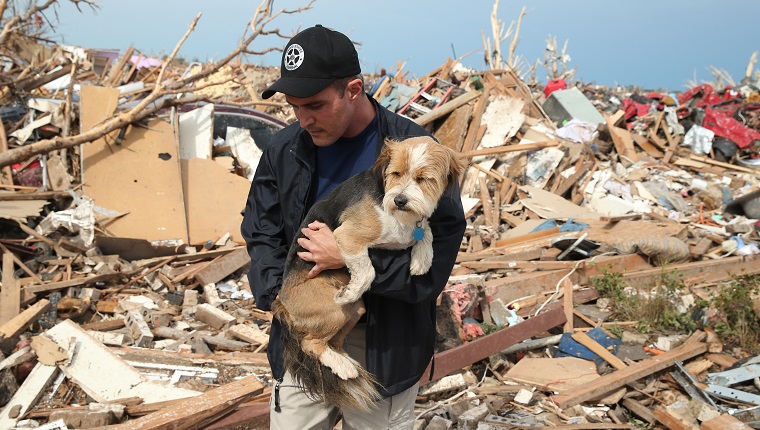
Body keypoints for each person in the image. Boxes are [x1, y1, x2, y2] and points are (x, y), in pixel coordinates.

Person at [241, 24, 465, 430]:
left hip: (386, 342)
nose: (303, 118)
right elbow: (261, 231)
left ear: (354, 90)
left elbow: (431, 268)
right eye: (294, 106)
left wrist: (344, 256)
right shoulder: (285, 148)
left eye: (315, 105)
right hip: (308, 331)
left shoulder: (416, 155)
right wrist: (283, 298)